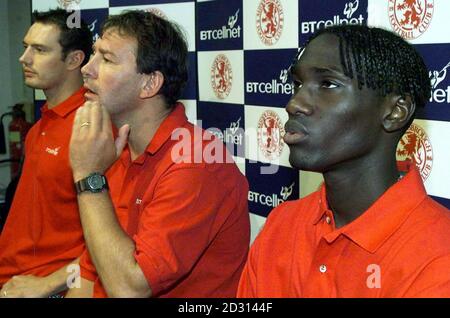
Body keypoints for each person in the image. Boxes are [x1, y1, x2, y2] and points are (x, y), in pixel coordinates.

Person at [237, 24, 450, 297]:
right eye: (298, 84)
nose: (294, 103)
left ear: (395, 111)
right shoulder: (283, 223)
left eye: (328, 84)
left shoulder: (438, 256)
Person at [66, 10, 250, 298]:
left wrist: (88, 176)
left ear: (150, 84)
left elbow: (129, 289)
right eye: (93, 55)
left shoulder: (195, 164)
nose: (86, 69)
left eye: (107, 59)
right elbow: (92, 272)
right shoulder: (117, 150)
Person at [0, 9, 92, 297]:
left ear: (75, 60)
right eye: (25, 47)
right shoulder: (40, 125)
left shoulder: (93, 130)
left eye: (39, 50)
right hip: (11, 278)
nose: (24, 58)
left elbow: (118, 240)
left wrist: (51, 284)